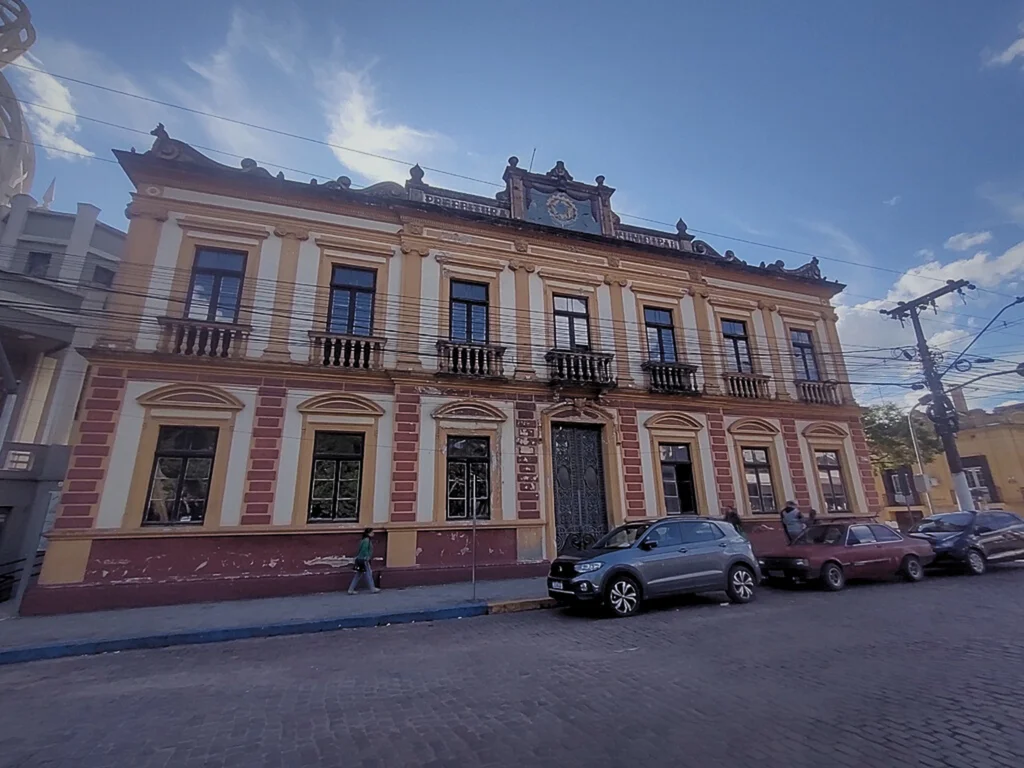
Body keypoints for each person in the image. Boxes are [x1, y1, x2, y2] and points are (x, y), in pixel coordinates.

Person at [348, 528, 380, 595]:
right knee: (368, 574)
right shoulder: (367, 540)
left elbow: (359, 549)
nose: (373, 533)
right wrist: (367, 557)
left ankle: (351, 589)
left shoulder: (363, 540)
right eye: (372, 532)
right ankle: (372, 588)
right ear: (368, 533)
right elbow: (364, 550)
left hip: (360, 559)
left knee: (358, 574)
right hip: (364, 559)